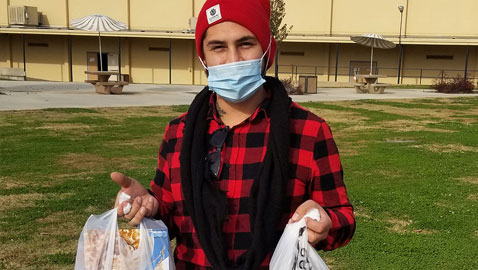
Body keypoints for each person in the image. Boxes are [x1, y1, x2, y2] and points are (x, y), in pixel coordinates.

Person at [111, 0, 355, 269]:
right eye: (218, 47)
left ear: (267, 49)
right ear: (203, 57)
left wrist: (328, 222)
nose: (233, 59)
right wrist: (148, 205)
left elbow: (342, 216)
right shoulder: (178, 132)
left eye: (246, 44)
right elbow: (168, 214)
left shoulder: (309, 131)